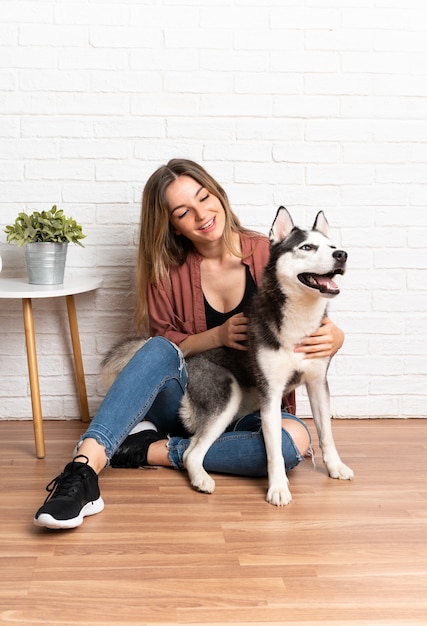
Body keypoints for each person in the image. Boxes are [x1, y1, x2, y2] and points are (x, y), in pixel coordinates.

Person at [34, 159, 344, 530]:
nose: (202, 214)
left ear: (218, 193)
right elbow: (159, 350)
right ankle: (83, 470)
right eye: (183, 212)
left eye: (204, 197)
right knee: (160, 348)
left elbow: (310, 303)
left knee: (293, 440)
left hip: (250, 409)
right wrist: (216, 337)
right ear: (172, 225)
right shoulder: (166, 271)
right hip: (185, 398)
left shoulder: (271, 252)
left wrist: (336, 337)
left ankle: (146, 449)